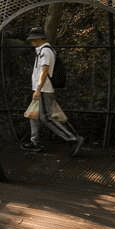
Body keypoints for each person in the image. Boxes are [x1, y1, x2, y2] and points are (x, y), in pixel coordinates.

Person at [20, 27, 84, 156]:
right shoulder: (41, 50)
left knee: (47, 118)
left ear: (39, 39)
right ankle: (35, 142)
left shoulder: (46, 51)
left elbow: (44, 72)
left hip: (43, 90)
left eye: (33, 39)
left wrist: (38, 90)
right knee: (33, 115)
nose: (31, 41)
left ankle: (73, 139)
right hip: (41, 89)